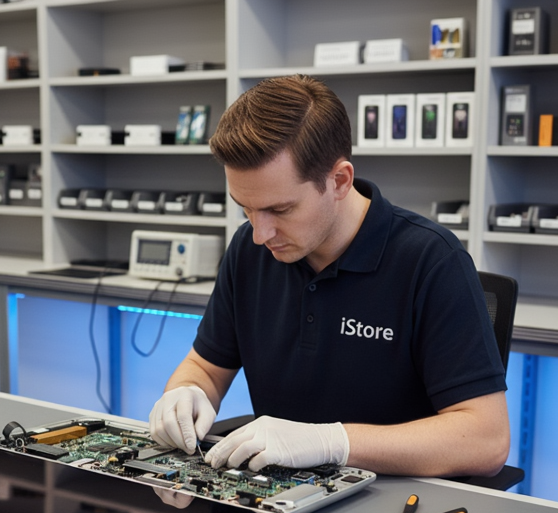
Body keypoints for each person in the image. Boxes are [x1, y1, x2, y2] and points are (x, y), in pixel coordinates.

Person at [148, 75, 510, 478]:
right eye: (245, 208)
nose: (260, 232)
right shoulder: (249, 249)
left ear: (339, 181)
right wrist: (186, 393)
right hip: (271, 503)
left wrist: (332, 442)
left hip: (392, 508)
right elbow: (206, 366)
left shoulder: (431, 260)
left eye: (280, 210)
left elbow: (486, 439)